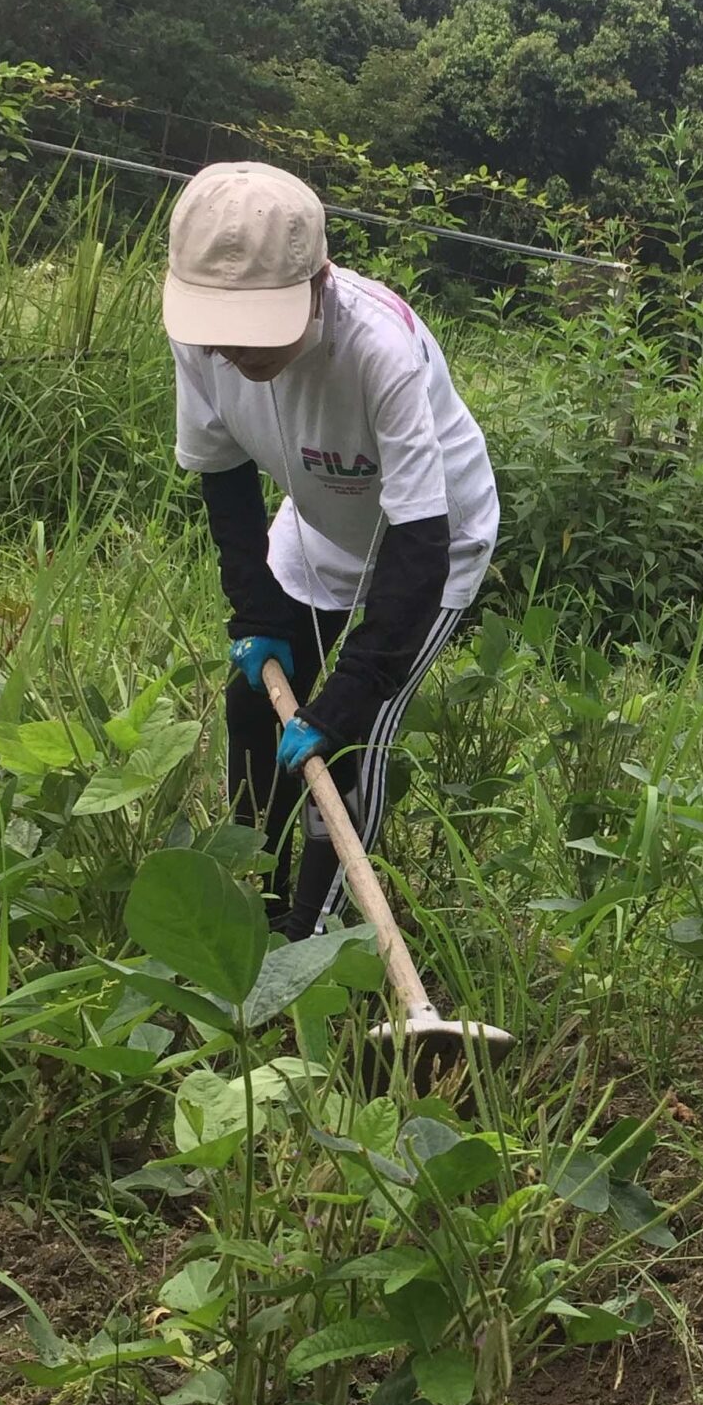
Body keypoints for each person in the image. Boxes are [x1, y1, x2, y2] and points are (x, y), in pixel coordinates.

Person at [165, 161, 498, 936]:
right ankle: (252, 891)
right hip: (316, 519)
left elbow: (419, 542)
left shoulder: (378, 350)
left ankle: (311, 928)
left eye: (254, 330)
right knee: (255, 701)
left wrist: (347, 696)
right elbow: (226, 478)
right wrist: (254, 611)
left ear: (317, 281)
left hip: (431, 541)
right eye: (219, 329)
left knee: (353, 739)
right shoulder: (202, 340)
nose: (232, 354)